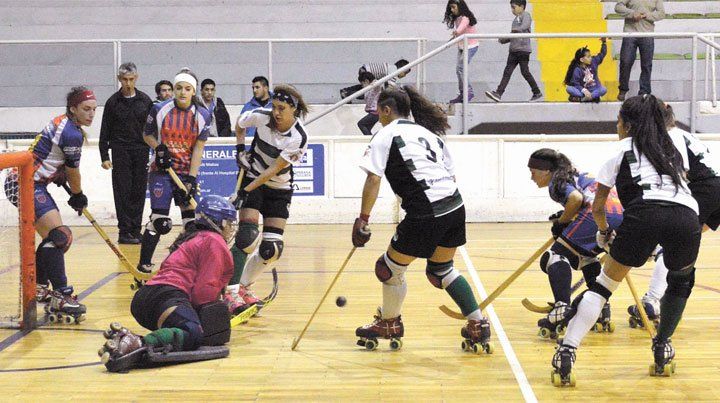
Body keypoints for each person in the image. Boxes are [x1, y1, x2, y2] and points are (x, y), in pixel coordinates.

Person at [550, 95, 701, 386]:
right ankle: (662, 345)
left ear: (628, 125)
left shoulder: (621, 149)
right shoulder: (675, 144)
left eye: (618, 122)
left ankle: (567, 351)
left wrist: (604, 232)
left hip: (645, 214)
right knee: (680, 283)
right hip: (686, 217)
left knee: (603, 287)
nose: (616, 127)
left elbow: (599, 206)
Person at [351, 86, 493, 353]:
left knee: (388, 269)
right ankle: (478, 324)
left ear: (386, 110)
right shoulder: (429, 134)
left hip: (427, 211)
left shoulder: (386, 135)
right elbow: (450, 176)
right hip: (454, 206)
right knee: (441, 270)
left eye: (378, 111)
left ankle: (389, 323)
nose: (377, 116)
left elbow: (373, 178)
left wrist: (363, 219)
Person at [98, 195, 236, 371]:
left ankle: (126, 339)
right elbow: (204, 292)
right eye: (229, 223)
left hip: (146, 298)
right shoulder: (214, 241)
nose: (231, 228)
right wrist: (211, 316)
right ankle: (138, 342)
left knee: (180, 330)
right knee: (193, 332)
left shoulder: (190, 237)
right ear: (217, 222)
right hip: (168, 295)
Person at [627, 104, 720, 328]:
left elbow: (678, 173)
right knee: (681, 242)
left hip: (703, 188)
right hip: (715, 187)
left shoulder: (668, 138)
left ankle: (652, 300)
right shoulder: (685, 134)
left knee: (671, 245)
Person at [224, 84, 309, 315]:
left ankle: (244, 285)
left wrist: (244, 191)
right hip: (252, 177)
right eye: (274, 107)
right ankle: (230, 292)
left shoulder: (299, 137)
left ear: (294, 109)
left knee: (272, 249)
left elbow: (273, 170)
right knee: (247, 236)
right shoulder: (261, 116)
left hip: (278, 188)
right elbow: (239, 125)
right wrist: (240, 150)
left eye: (282, 108)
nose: (276, 113)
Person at [527, 148, 623, 338]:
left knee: (554, 256)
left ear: (546, 171)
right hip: (619, 214)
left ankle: (561, 308)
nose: (531, 178)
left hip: (597, 214)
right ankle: (600, 308)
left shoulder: (556, 182)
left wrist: (561, 223)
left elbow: (575, 198)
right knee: (586, 257)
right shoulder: (574, 174)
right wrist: (566, 216)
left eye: (533, 172)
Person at [26, 87, 97, 322]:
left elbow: (52, 157)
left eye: (94, 109)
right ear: (73, 109)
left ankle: (38, 286)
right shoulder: (71, 133)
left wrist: (56, 173)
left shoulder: (65, 124)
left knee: (54, 238)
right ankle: (61, 294)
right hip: (27, 184)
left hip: (34, 183)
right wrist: (78, 195)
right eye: (86, 109)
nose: (91, 114)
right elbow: (72, 170)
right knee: (59, 236)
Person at [138, 68, 212, 274]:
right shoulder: (159, 109)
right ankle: (143, 264)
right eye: (178, 88)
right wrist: (159, 148)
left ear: (193, 91)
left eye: (187, 89)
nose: (182, 92)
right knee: (160, 222)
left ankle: (182, 263)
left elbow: (198, 148)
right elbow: (147, 135)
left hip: (185, 172)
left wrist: (191, 179)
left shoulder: (203, 115)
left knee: (191, 223)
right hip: (161, 171)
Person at [99, 62, 153, 244]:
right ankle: (124, 231)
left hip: (141, 150)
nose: (128, 83)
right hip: (120, 151)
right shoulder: (112, 102)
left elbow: (151, 129)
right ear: (119, 79)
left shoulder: (145, 101)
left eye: (131, 79)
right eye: (124, 79)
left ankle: (136, 229)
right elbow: (105, 130)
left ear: (136, 78)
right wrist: (104, 156)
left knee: (139, 190)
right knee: (122, 191)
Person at [485, 0, 543, 103]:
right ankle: (498, 93)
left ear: (522, 6)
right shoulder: (515, 20)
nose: (512, 10)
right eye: (511, 7)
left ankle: (537, 92)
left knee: (525, 72)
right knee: (507, 72)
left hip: (523, 50)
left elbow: (524, 26)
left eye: (514, 7)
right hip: (513, 51)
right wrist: (504, 40)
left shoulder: (526, 15)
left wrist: (515, 30)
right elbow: (514, 35)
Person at [615, 0, 665, 100]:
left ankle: (644, 93)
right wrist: (632, 13)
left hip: (647, 34)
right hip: (630, 33)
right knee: (625, 61)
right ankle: (623, 89)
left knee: (646, 65)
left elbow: (661, 13)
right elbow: (618, 7)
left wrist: (647, 15)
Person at [443, 0, 479, 104]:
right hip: (462, 46)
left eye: (453, 7)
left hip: (471, 46)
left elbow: (462, 27)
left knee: (461, 68)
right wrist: (451, 40)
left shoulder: (465, 18)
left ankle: (469, 92)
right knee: (458, 70)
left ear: (460, 7)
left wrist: (456, 32)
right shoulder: (457, 19)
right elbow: (459, 33)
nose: (452, 10)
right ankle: (463, 93)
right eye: (450, 8)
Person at [339, 60, 411, 101]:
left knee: (365, 88)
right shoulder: (394, 72)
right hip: (368, 72)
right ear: (401, 69)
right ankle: (348, 94)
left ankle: (346, 90)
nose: (404, 76)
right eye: (405, 73)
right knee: (370, 93)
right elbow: (390, 86)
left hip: (364, 69)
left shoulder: (391, 67)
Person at [564, 38, 608, 103]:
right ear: (581, 60)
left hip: (595, 90)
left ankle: (585, 98)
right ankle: (592, 98)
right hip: (584, 92)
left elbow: (602, 54)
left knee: (603, 89)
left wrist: (604, 43)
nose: (591, 58)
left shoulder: (594, 61)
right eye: (588, 57)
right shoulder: (577, 69)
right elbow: (576, 84)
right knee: (569, 89)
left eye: (590, 56)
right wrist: (584, 90)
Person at [357, 71, 381, 136]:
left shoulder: (374, 88)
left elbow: (378, 86)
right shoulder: (368, 90)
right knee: (367, 128)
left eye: (362, 84)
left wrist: (374, 82)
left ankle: (370, 139)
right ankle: (370, 138)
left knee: (361, 124)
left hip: (375, 112)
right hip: (373, 112)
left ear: (366, 81)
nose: (362, 86)